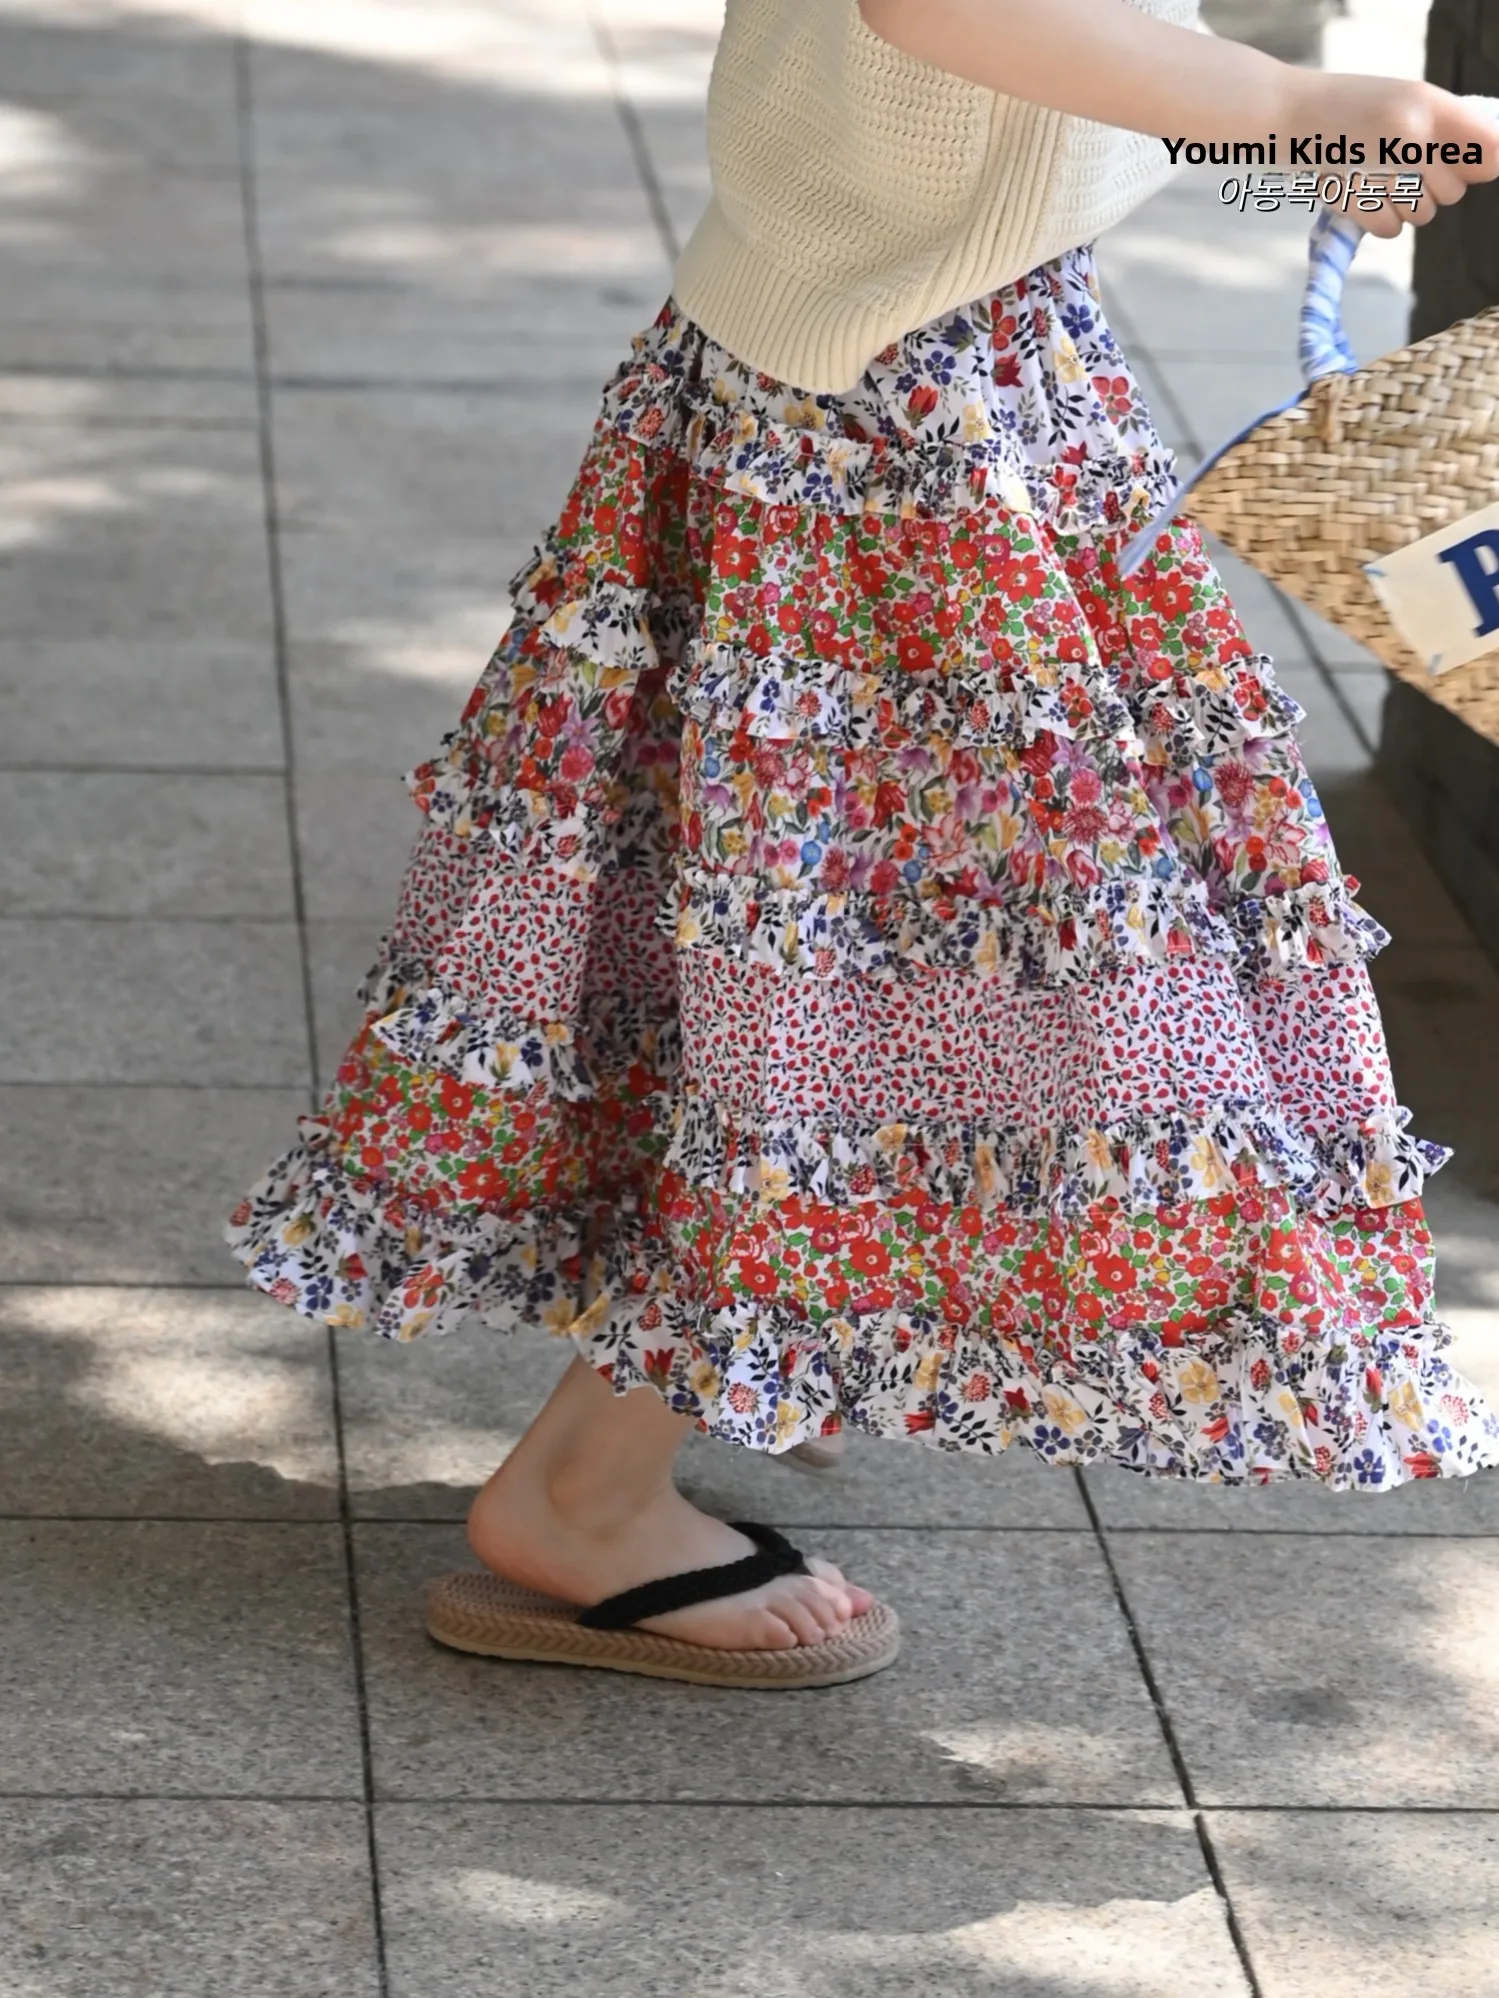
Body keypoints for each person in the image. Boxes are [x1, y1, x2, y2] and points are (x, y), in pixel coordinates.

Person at [228, 0, 1499, 1689]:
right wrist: (1282, 100)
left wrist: (1277, 117)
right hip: (893, 427)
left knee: (816, 945)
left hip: (907, 364)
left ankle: (741, 1353)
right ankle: (585, 1491)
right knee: (875, 971)